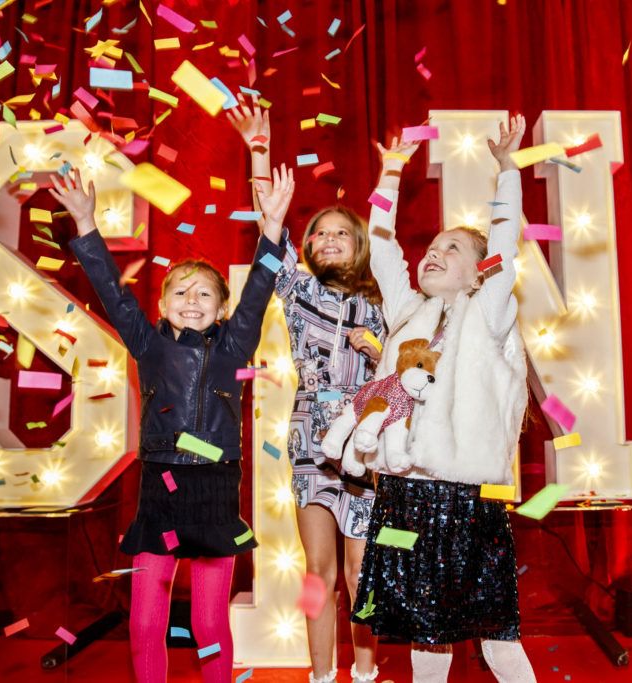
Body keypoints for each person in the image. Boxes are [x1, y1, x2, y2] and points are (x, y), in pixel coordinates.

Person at [53, 164, 295, 683]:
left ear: (223, 309)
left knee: (210, 620)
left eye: (205, 293)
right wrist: (85, 224)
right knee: (146, 616)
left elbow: (257, 292)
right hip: (160, 482)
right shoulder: (148, 343)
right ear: (161, 306)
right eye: (181, 293)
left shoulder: (235, 345)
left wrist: (272, 229)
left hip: (215, 486)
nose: (192, 300)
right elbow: (112, 293)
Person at [348, 115, 538, 683]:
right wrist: (389, 175)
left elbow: (502, 247)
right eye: (430, 247)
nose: (433, 253)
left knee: (496, 633)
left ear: (478, 273)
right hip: (403, 500)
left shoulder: (489, 313)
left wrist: (508, 172)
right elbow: (383, 253)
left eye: (450, 249)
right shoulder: (409, 314)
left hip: (466, 504)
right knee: (422, 633)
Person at [228, 97, 383, 683]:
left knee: (361, 568)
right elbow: (271, 224)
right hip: (312, 438)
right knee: (318, 570)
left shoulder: (384, 298)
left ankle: (364, 673)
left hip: (368, 444)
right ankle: (322, 675)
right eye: (320, 233)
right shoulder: (298, 293)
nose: (329, 238)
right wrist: (259, 153)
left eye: (343, 232)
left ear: (360, 244)